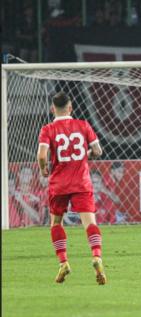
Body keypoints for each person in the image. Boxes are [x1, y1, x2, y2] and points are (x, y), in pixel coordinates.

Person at [37, 92, 106, 285]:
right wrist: (88, 153)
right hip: (81, 182)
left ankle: (64, 262)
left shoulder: (47, 129)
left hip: (58, 183)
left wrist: (43, 169)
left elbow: (42, 156)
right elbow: (98, 151)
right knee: (89, 223)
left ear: (53, 109)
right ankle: (97, 257)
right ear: (71, 107)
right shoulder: (83, 125)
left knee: (56, 224)